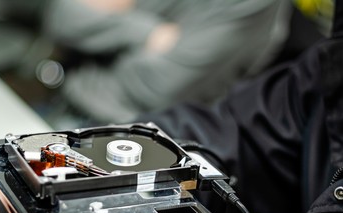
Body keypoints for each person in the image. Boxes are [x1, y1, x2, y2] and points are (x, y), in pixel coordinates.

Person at [0, 0, 342, 213]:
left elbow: (154, 86)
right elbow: (204, 141)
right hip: (67, 120)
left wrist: (115, 21)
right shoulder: (324, 78)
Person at [38, 0, 292, 124]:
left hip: (125, 135)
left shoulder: (253, 5)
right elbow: (63, 15)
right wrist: (148, 33)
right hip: (56, 101)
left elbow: (158, 89)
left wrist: (104, 34)